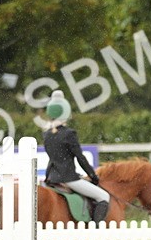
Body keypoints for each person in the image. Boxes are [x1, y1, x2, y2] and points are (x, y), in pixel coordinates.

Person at [41, 89, 111, 222]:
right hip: (69, 179)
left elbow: (53, 158)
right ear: (66, 113)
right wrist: (93, 176)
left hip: (52, 178)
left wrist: (48, 176)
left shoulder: (47, 134)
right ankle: (96, 234)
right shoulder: (69, 133)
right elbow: (81, 158)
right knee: (103, 197)